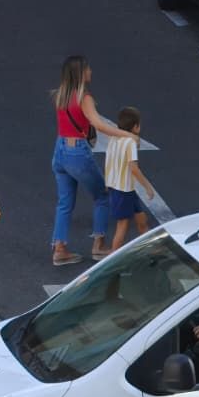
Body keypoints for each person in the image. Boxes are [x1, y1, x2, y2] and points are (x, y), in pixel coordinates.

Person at [51, 55, 136, 266]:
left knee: (64, 202)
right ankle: (99, 245)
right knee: (102, 195)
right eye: (87, 68)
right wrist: (126, 134)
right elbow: (98, 124)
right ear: (80, 73)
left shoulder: (61, 94)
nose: (91, 71)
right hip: (77, 152)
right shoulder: (84, 97)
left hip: (60, 150)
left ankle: (59, 249)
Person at [104, 106, 157, 251]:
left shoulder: (114, 138)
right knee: (122, 226)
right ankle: (113, 257)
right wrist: (148, 187)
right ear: (135, 126)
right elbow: (134, 168)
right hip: (123, 190)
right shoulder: (130, 142)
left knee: (141, 219)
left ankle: (151, 249)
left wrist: (107, 182)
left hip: (123, 189)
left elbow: (109, 161)